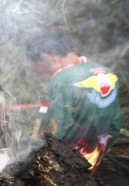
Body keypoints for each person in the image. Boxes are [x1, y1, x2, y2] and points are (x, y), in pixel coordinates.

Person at [26, 30, 121, 173]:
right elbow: (115, 125)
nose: (37, 71)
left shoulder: (60, 81)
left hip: (64, 169)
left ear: (47, 57)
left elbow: (50, 132)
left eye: (36, 64)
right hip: (93, 161)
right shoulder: (107, 73)